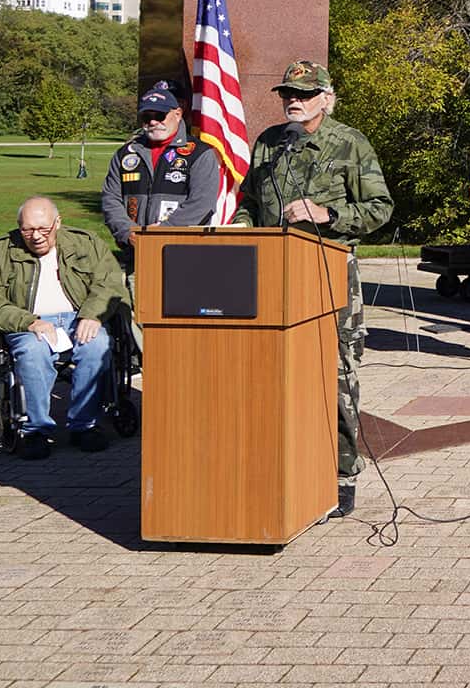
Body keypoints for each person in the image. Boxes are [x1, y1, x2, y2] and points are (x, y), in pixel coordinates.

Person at [237, 60, 393, 517]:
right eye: (288, 93)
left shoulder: (349, 144)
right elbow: (249, 199)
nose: (293, 101)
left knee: (335, 374)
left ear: (326, 96)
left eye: (303, 94)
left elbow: (380, 208)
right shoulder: (268, 143)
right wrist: (242, 227)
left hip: (328, 274)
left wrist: (328, 216)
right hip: (272, 274)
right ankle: (282, 464)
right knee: (272, 373)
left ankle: (342, 473)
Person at [0, 196, 124, 459]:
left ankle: (84, 426)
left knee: (96, 345)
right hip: (30, 322)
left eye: (44, 229)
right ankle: (35, 430)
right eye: (28, 229)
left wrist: (92, 315)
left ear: (58, 223)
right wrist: (27, 321)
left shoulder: (86, 243)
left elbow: (109, 283)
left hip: (80, 316)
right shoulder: (2, 250)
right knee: (33, 352)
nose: (36, 236)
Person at [100, 81, 219, 345]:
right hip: (140, 255)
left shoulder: (199, 154)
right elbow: (110, 199)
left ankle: (186, 379)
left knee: (185, 323)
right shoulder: (125, 154)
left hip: (185, 256)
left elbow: (202, 204)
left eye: (159, 115)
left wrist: (162, 233)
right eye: (147, 116)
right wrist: (127, 231)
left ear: (177, 113)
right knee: (144, 321)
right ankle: (154, 378)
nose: (153, 122)